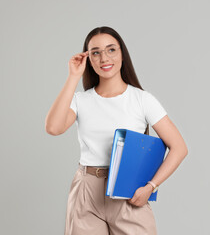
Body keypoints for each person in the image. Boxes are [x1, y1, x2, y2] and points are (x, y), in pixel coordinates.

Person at [45, 26, 188, 235]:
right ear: (89, 59)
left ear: (122, 54)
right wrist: (73, 76)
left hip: (128, 191)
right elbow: (53, 128)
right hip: (86, 191)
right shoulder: (81, 100)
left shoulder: (142, 99)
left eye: (111, 50)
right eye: (96, 52)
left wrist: (151, 186)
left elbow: (179, 148)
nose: (104, 58)